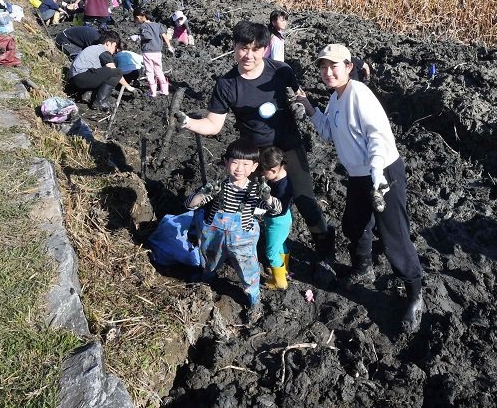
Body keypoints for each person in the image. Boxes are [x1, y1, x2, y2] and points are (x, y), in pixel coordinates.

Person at [175, 21, 335, 267]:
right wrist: (188, 123)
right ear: (234, 47)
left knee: (304, 199)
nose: (248, 55)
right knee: (252, 200)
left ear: (265, 48)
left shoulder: (282, 71)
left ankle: (325, 248)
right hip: (255, 156)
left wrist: (301, 106)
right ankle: (253, 244)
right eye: (243, 48)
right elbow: (213, 124)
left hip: (289, 147)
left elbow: (299, 95)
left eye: (255, 49)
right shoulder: (227, 84)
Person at [295, 43, 425, 333]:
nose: (328, 72)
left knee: (394, 236)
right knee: (353, 225)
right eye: (323, 67)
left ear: (349, 67)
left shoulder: (360, 95)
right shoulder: (335, 99)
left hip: (382, 172)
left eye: (334, 66)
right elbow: (329, 131)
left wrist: (377, 172)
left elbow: (378, 136)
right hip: (359, 175)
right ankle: (363, 268)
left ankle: (415, 293)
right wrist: (308, 106)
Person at [185, 139, 265, 323]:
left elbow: (275, 209)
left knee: (248, 270)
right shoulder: (216, 187)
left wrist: (267, 199)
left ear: (254, 167)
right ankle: (207, 278)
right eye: (235, 162)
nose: (239, 168)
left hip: (242, 239)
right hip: (214, 236)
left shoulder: (255, 191)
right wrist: (202, 194)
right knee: (209, 260)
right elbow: (189, 205)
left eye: (246, 164)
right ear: (225, 162)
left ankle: (254, 299)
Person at [68, 32, 135, 110]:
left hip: (74, 80)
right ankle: (100, 102)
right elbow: (114, 70)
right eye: (115, 46)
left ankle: (88, 94)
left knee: (104, 75)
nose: (114, 51)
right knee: (117, 72)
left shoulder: (92, 48)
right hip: (82, 77)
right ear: (108, 43)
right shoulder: (103, 51)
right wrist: (130, 88)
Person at [258, 146, 294, 290]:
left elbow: (279, 208)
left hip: (277, 222)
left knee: (271, 252)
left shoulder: (284, 187)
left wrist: (263, 203)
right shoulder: (281, 176)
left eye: (263, 170)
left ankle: (280, 283)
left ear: (273, 170)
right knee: (280, 244)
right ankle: (284, 268)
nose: (261, 173)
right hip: (284, 220)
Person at [131, 8, 173, 97]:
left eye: (135, 19)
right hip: (158, 52)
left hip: (148, 52)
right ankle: (164, 91)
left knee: (150, 72)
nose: (136, 21)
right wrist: (169, 46)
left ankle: (152, 92)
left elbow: (147, 36)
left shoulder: (144, 26)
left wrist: (138, 37)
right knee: (159, 71)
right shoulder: (158, 25)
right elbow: (165, 36)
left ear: (139, 17)